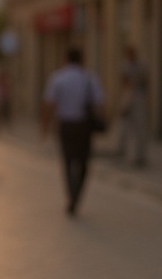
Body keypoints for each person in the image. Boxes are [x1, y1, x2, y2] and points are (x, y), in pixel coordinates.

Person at [41, 46, 106, 216]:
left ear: (66, 58)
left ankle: (71, 195)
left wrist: (45, 128)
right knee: (83, 162)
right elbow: (99, 104)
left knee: (68, 161)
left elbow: (49, 104)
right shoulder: (89, 78)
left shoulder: (58, 78)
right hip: (84, 126)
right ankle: (77, 195)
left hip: (66, 125)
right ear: (82, 59)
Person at [117, 44, 149, 166]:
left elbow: (146, 81)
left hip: (139, 98)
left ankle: (140, 155)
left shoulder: (142, 65)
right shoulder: (125, 65)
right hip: (128, 97)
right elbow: (123, 81)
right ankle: (127, 151)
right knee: (125, 127)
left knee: (140, 128)